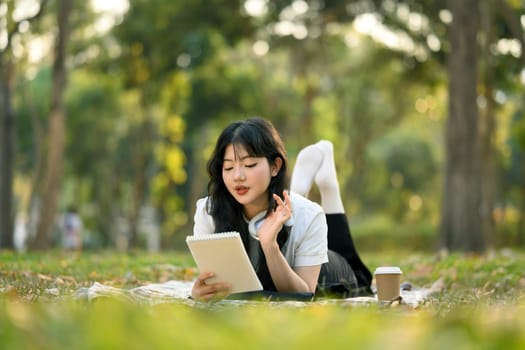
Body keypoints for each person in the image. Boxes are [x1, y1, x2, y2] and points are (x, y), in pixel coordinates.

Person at [191, 117, 372, 301]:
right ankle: (299, 188)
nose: (237, 176)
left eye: (249, 165)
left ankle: (329, 186)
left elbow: (303, 295)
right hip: (292, 218)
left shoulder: (310, 214)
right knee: (300, 215)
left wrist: (270, 247)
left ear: (275, 166)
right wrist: (200, 292)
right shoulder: (208, 212)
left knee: (360, 278)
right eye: (228, 167)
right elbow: (216, 284)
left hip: (324, 273)